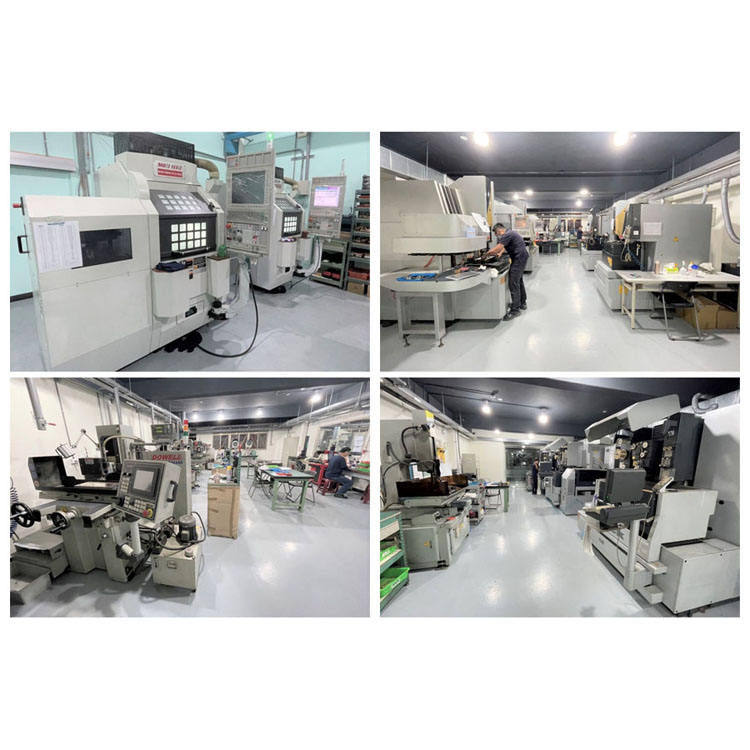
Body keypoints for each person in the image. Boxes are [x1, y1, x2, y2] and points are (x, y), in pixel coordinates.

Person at [486, 222, 529, 320]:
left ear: (498, 230)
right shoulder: (510, 232)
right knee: (518, 280)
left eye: (496, 233)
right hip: (521, 257)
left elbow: (498, 248)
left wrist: (486, 255)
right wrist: (501, 253)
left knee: (513, 282)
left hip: (519, 258)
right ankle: (522, 303)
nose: (497, 235)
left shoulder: (507, 234)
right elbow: (504, 247)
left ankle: (515, 310)